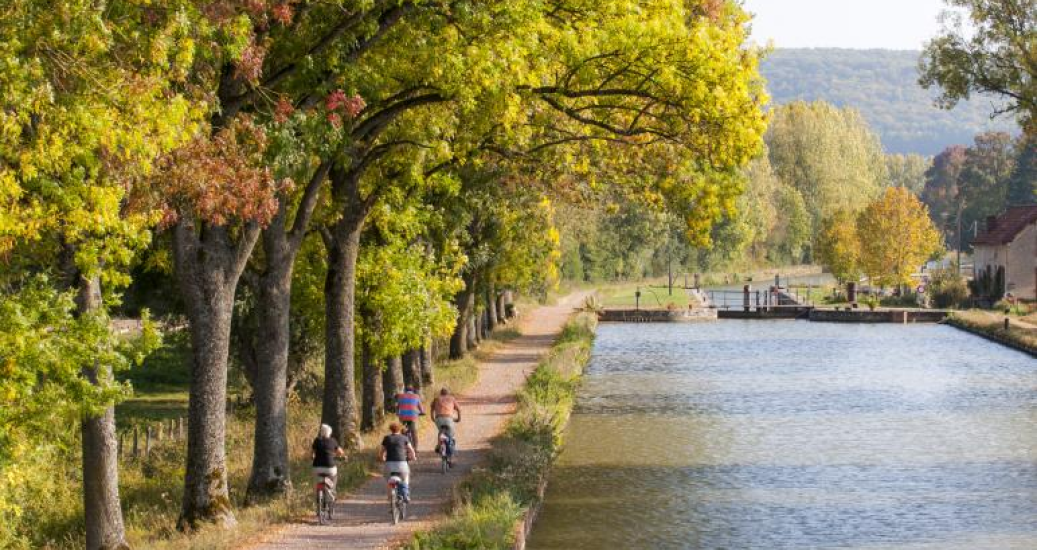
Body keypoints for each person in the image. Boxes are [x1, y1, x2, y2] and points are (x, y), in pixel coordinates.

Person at [380, 423, 417, 502]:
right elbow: (411, 450)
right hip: (402, 464)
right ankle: (405, 494)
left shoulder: (386, 438)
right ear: (400, 429)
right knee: (405, 477)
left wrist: (382, 458)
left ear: (390, 429)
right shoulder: (404, 438)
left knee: (388, 479)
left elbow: (382, 452)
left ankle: (390, 498)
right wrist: (413, 457)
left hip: (389, 465)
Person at [312, 424, 345, 499]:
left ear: (321, 432)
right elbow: (341, 452)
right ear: (330, 433)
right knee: (334, 476)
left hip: (317, 467)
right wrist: (340, 456)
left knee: (316, 481)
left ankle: (317, 492)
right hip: (330, 467)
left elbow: (312, 453)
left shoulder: (317, 440)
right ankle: (332, 491)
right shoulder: (333, 441)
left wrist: (313, 456)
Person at [431, 388, 461, 456]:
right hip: (448, 419)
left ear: (440, 393)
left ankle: (439, 446)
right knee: (451, 434)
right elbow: (459, 409)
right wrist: (458, 419)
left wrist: (432, 418)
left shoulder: (436, 399)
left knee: (441, 431)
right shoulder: (452, 398)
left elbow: (432, 409)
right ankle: (450, 451)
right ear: (448, 394)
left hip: (438, 419)